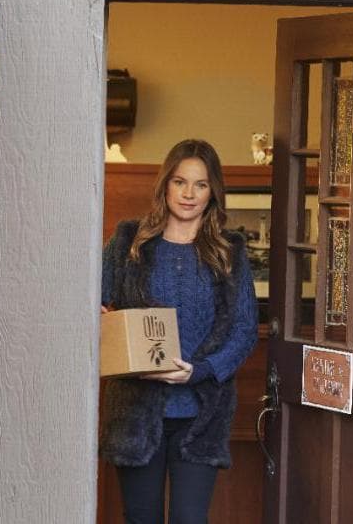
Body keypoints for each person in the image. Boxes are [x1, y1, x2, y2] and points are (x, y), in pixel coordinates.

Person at [100, 138, 258, 524]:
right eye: (179, 182)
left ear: (213, 192)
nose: (189, 194)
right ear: (165, 186)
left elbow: (244, 331)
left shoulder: (229, 252)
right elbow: (95, 305)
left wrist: (198, 370)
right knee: (141, 517)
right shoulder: (128, 243)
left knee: (190, 519)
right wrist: (106, 322)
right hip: (136, 411)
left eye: (200, 184)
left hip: (201, 412)